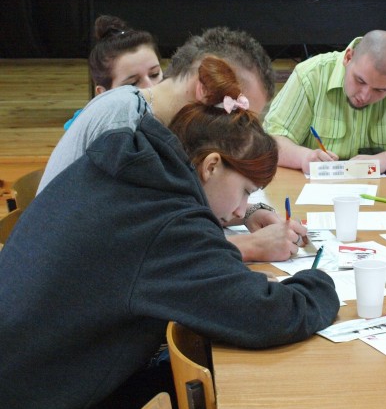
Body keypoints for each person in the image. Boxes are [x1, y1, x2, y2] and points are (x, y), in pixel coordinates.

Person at [0, 56, 339, 409]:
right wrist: (320, 282)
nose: (242, 210)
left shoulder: (132, 162)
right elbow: (268, 315)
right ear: (210, 165)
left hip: (33, 364)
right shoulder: (167, 221)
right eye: (245, 191)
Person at [40, 26, 305, 262]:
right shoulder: (124, 124)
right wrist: (246, 246)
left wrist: (248, 212)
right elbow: (130, 249)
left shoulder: (163, 129)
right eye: (235, 114)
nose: (238, 133)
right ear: (206, 85)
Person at [263, 30, 386, 174]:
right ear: (348, 57)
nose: (365, 95)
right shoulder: (310, 75)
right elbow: (269, 142)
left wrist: (384, 160)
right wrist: (305, 157)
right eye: (360, 81)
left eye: (380, 90)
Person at [64, 15, 164, 130]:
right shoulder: (90, 134)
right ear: (103, 93)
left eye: (154, 74)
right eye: (132, 83)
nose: (151, 87)